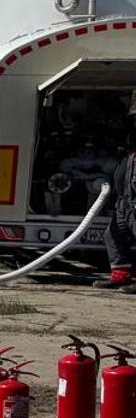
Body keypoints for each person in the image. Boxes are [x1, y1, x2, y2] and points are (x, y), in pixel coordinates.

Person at [96, 99, 136, 291]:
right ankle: (120, 275)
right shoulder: (130, 156)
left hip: (134, 204)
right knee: (113, 236)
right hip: (124, 205)